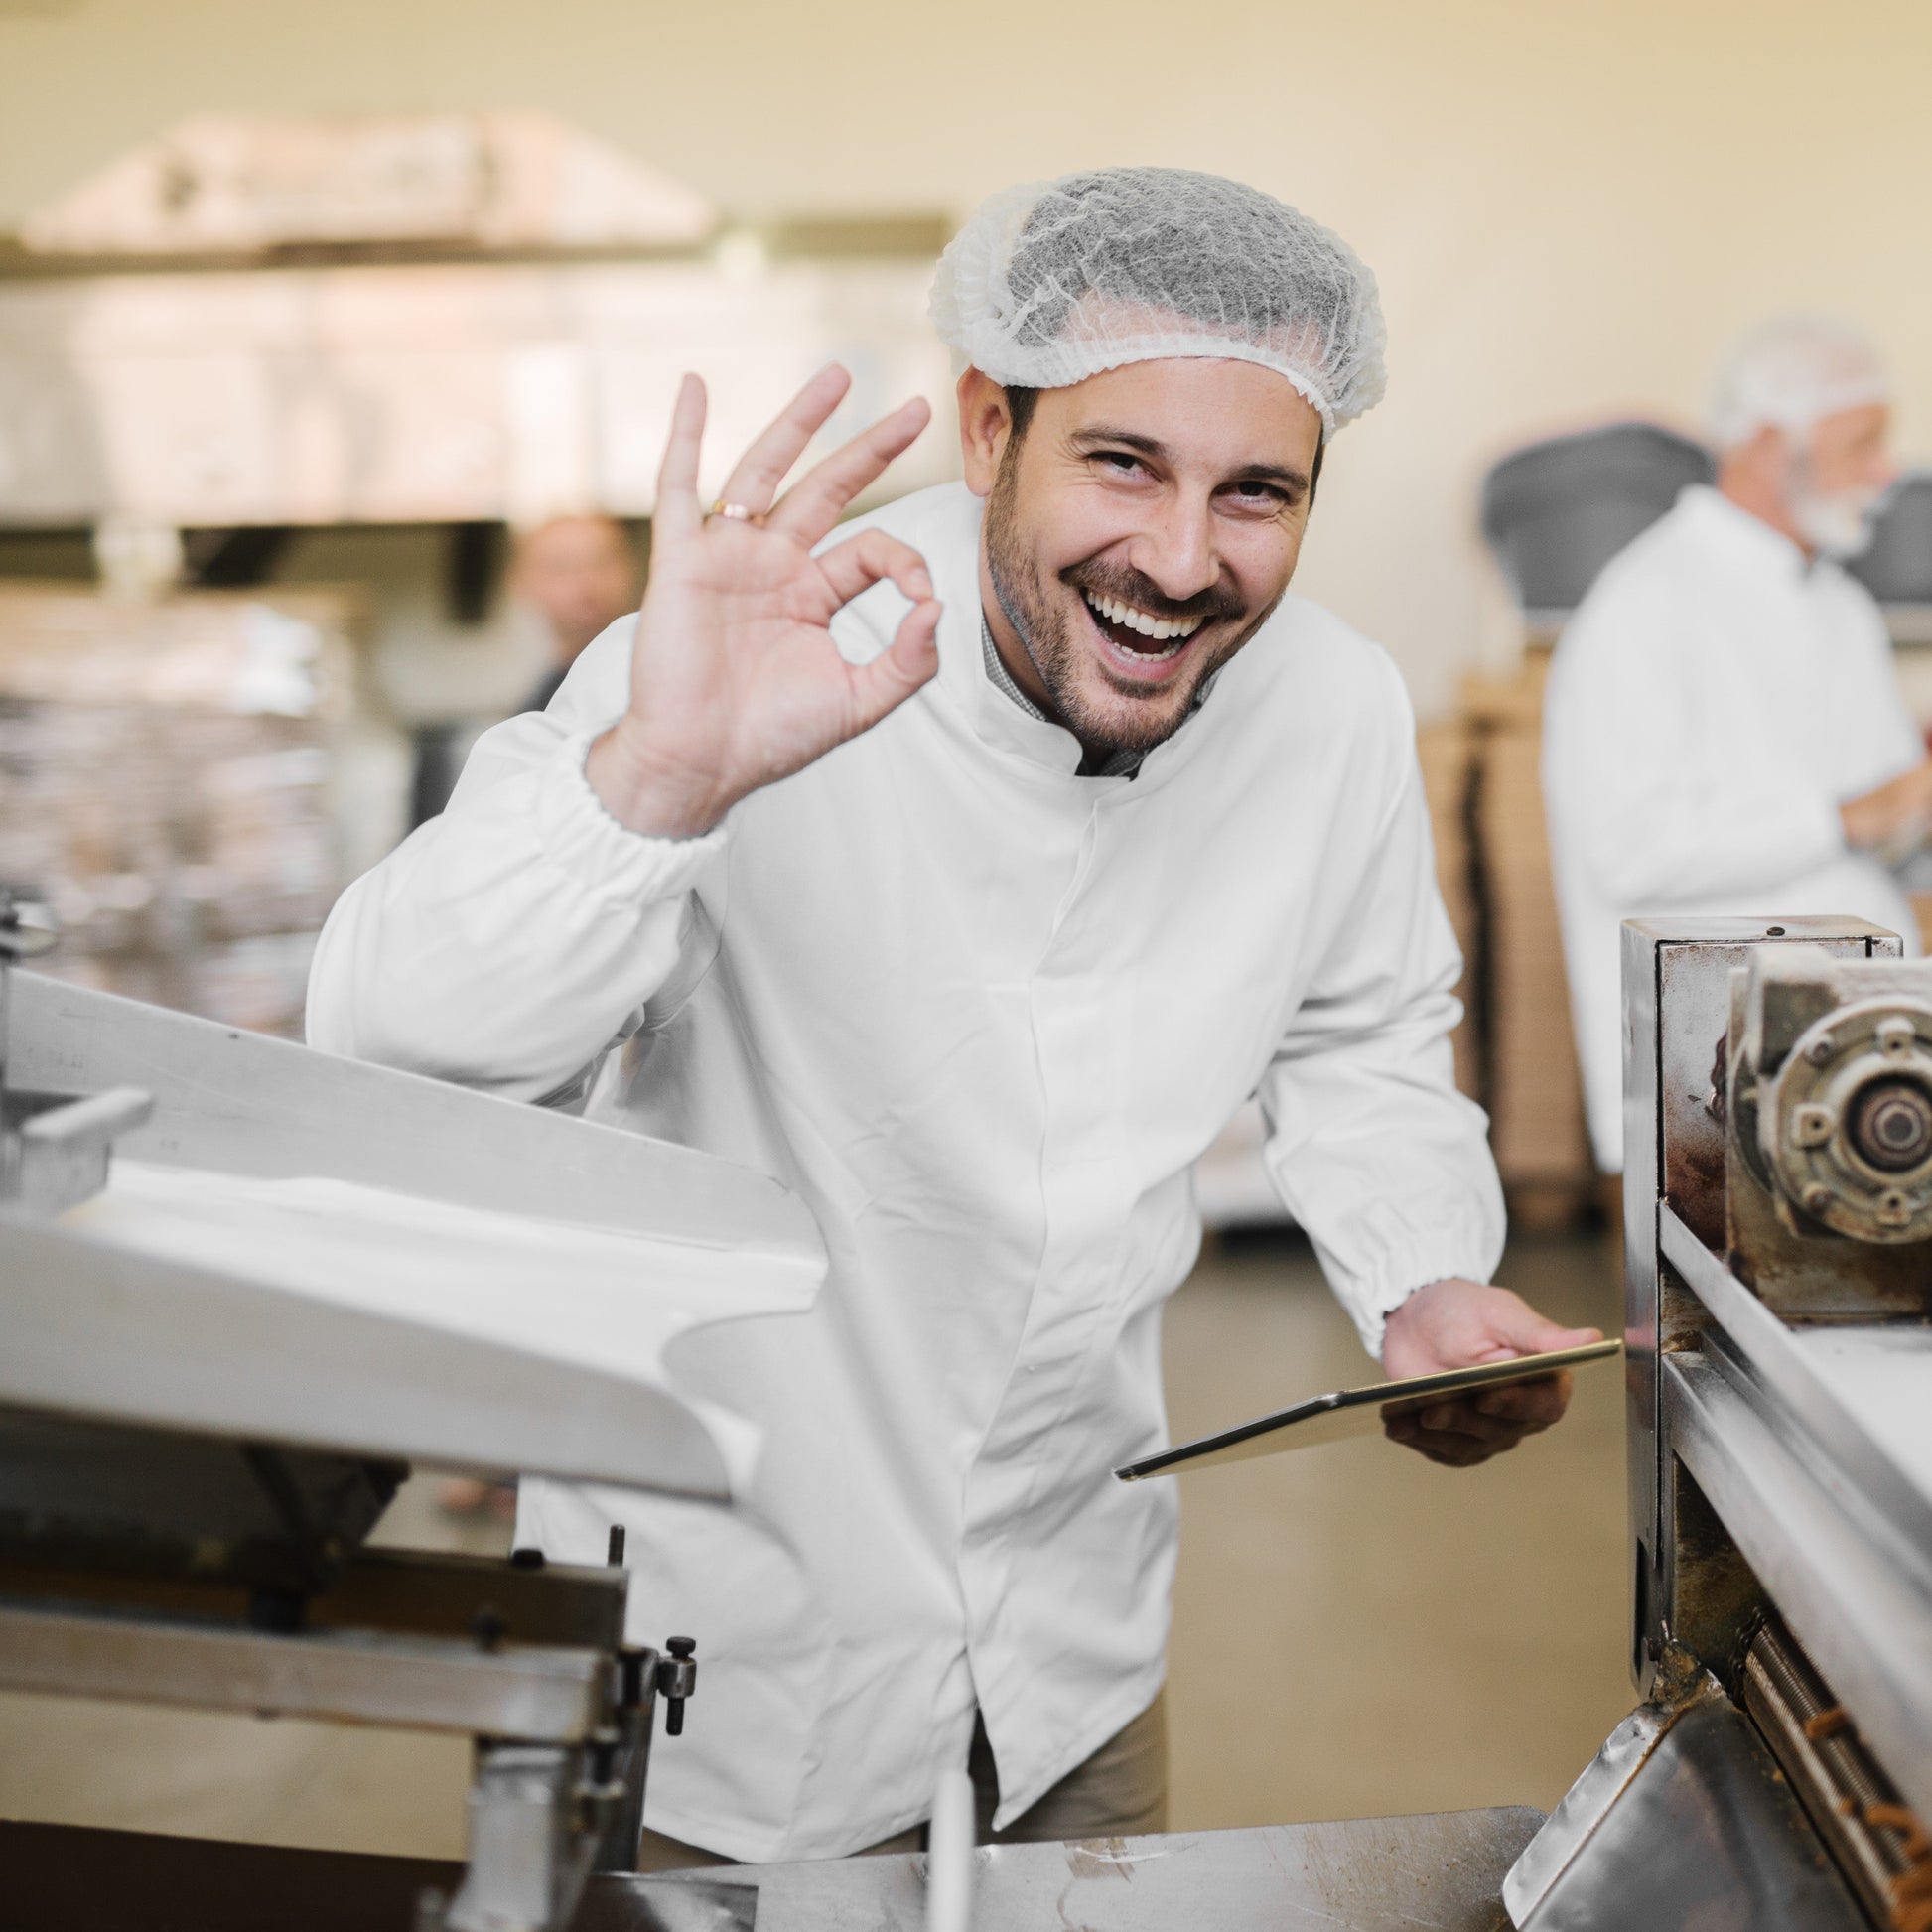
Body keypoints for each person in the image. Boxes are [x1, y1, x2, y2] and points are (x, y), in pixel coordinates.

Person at [307, 168, 1596, 1866]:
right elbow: (396, 1045)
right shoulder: (748, 648)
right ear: (989, 428)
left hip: (1071, 1649)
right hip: (730, 1654)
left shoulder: (1333, 709)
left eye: (1257, 492)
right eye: (1121, 462)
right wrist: (656, 784)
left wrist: (1422, 1269)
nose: (1180, 560)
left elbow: (1360, 1034)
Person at [1543, 316, 1932, 1173]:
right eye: (1863, 443)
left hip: (1866, 1067)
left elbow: (1891, 829)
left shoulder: (1839, 606)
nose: (1886, 471)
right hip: (1722, 1094)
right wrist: (1851, 818)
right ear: (1766, 442)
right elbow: (1630, 853)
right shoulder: (1645, 607)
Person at [511, 512, 643, 714]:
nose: (586, 581)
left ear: (631, 570)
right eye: (561, 567)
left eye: (601, 563)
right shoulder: (543, 698)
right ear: (522, 582)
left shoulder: (655, 677)